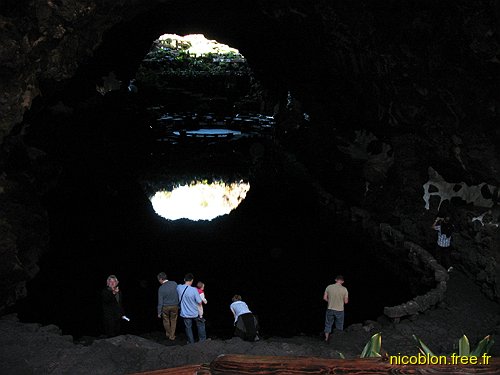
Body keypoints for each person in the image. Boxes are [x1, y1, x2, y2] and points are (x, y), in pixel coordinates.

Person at [177, 273, 206, 344]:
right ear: (192, 280)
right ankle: (202, 341)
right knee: (200, 324)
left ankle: (191, 342)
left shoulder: (179, 287)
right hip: (195, 312)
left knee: (188, 328)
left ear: (184, 279)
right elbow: (199, 302)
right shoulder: (194, 290)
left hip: (185, 313)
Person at [323, 275, 348, 342]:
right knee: (339, 325)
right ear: (342, 281)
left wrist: (330, 301)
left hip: (330, 308)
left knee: (328, 324)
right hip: (340, 310)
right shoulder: (344, 289)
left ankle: (326, 339)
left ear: (335, 280)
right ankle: (338, 340)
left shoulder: (329, 287)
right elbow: (346, 302)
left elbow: (325, 298)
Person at [157, 272, 179, 340]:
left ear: (161, 279)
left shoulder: (161, 288)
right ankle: (172, 336)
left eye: (159, 280)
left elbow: (160, 302)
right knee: (173, 320)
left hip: (165, 307)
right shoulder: (174, 283)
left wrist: (159, 312)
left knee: (166, 321)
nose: (158, 281)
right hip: (175, 306)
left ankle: (169, 334)